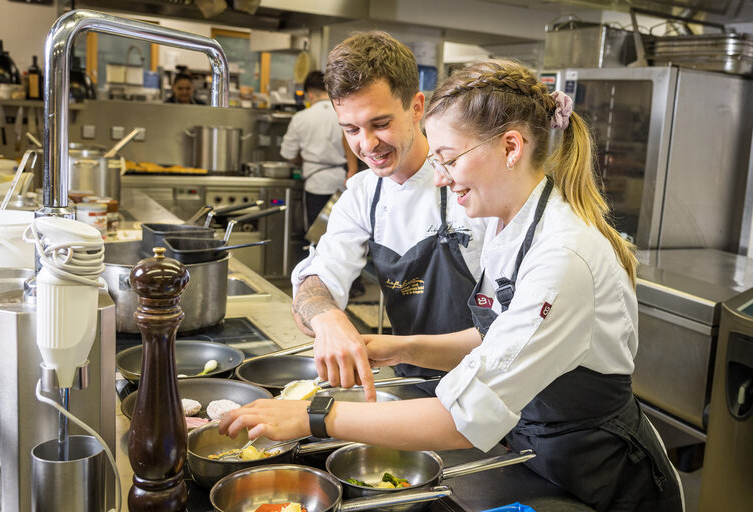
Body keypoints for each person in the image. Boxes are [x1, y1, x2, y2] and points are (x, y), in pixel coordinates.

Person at [219, 59, 685, 512]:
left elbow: (463, 419)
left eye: (448, 159)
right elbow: (495, 340)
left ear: (510, 147)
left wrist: (313, 417)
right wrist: (401, 348)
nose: (439, 178)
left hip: (604, 476)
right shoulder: (510, 225)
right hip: (535, 450)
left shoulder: (562, 259)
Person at [288, 31, 487, 401]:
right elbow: (315, 283)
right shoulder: (362, 194)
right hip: (413, 385)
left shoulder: (471, 183)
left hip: (491, 387)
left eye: (380, 124)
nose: (367, 144)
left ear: (416, 107)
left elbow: (518, 328)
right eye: (351, 129)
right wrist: (328, 319)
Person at [280, 70, 358, 228]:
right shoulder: (343, 114)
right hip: (342, 183)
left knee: (316, 234)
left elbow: (288, 154)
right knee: (341, 231)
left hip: (315, 184)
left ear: (309, 94)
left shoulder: (300, 118)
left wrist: (300, 161)